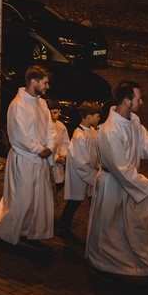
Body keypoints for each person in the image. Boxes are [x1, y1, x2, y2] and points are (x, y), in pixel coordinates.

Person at [85, 81, 148, 287]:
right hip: (113, 187)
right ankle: (101, 267)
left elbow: (143, 145)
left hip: (129, 186)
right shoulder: (109, 131)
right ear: (127, 101)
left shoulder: (134, 120)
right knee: (110, 232)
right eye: (138, 98)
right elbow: (121, 169)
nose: (142, 101)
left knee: (142, 230)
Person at [0, 65, 55, 250]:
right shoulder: (17, 106)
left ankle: (27, 232)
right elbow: (19, 135)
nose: (47, 86)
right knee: (22, 199)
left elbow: (51, 128)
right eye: (45, 82)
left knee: (35, 200)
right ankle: (5, 232)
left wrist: (49, 146)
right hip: (25, 159)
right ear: (33, 81)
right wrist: (39, 149)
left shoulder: (41, 103)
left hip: (40, 159)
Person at [56, 101, 101, 245]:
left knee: (87, 200)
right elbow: (79, 162)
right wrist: (94, 177)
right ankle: (63, 228)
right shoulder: (80, 136)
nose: (99, 119)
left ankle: (97, 229)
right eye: (97, 116)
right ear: (89, 117)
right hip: (81, 175)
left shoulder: (91, 131)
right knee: (75, 201)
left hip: (89, 173)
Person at [47, 98, 70, 192]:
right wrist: (55, 157)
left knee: (58, 185)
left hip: (57, 166)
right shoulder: (44, 125)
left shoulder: (61, 126)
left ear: (59, 111)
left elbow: (65, 143)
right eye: (50, 113)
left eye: (55, 112)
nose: (52, 116)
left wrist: (62, 155)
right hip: (47, 163)